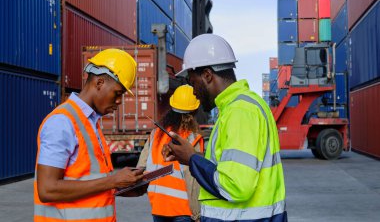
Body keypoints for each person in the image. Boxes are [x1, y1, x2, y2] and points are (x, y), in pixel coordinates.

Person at [163, 34, 287, 222]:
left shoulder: (240, 112)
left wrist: (193, 159)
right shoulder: (242, 107)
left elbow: (235, 186)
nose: (193, 92)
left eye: (192, 82)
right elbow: (233, 170)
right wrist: (191, 158)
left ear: (207, 75)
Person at [34, 48, 145, 222]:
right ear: (99, 83)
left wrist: (126, 187)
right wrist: (112, 181)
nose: (119, 101)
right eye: (118, 93)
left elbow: (87, 182)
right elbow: (47, 189)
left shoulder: (91, 123)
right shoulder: (62, 122)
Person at [137, 85, 204, 222]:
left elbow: (141, 168)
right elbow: (194, 178)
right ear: (195, 111)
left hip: (158, 206)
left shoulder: (156, 134)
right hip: (184, 209)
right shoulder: (193, 138)